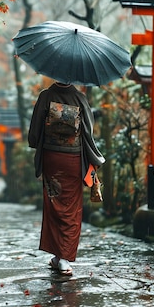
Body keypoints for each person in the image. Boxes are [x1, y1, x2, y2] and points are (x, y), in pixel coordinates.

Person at [28, 81, 105, 276]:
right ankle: (63, 258)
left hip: (51, 158)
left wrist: (38, 140)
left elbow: (35, 131)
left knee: (54, 204)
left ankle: (57, 256)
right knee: (71, 207)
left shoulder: (46, 96)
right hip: (73, 157)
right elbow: (88, 131)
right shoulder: (79, 97)